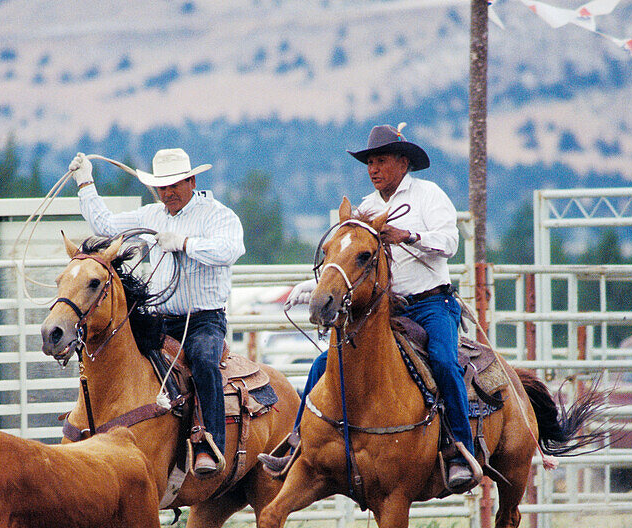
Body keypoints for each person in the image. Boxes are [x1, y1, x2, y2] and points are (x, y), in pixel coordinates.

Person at [258, 124, 481, 493]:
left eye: (380, 161)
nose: (373, 169)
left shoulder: (429, 196)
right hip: (386, 309)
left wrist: (408, 235)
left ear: (402, 163)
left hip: (431, 303)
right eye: (369, 163)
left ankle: (459, 449)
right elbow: (350, 262)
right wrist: (313, 287)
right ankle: (297, 442)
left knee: (442, 358)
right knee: (324, 363)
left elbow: (449, 243)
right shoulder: (367, 208)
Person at [68, 148, 244, 475]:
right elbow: (104, 224)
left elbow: (231, 249)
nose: (168, 193)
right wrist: (85, 182)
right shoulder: (153, 215)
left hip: (202, 321)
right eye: (162, 187)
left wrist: (186, 243)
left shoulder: (218, 215)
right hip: (159, 318)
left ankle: (209, 442)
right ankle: (99, 426)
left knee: (204, 360)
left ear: (191, 181)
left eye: (175, 184)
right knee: (112, 351)